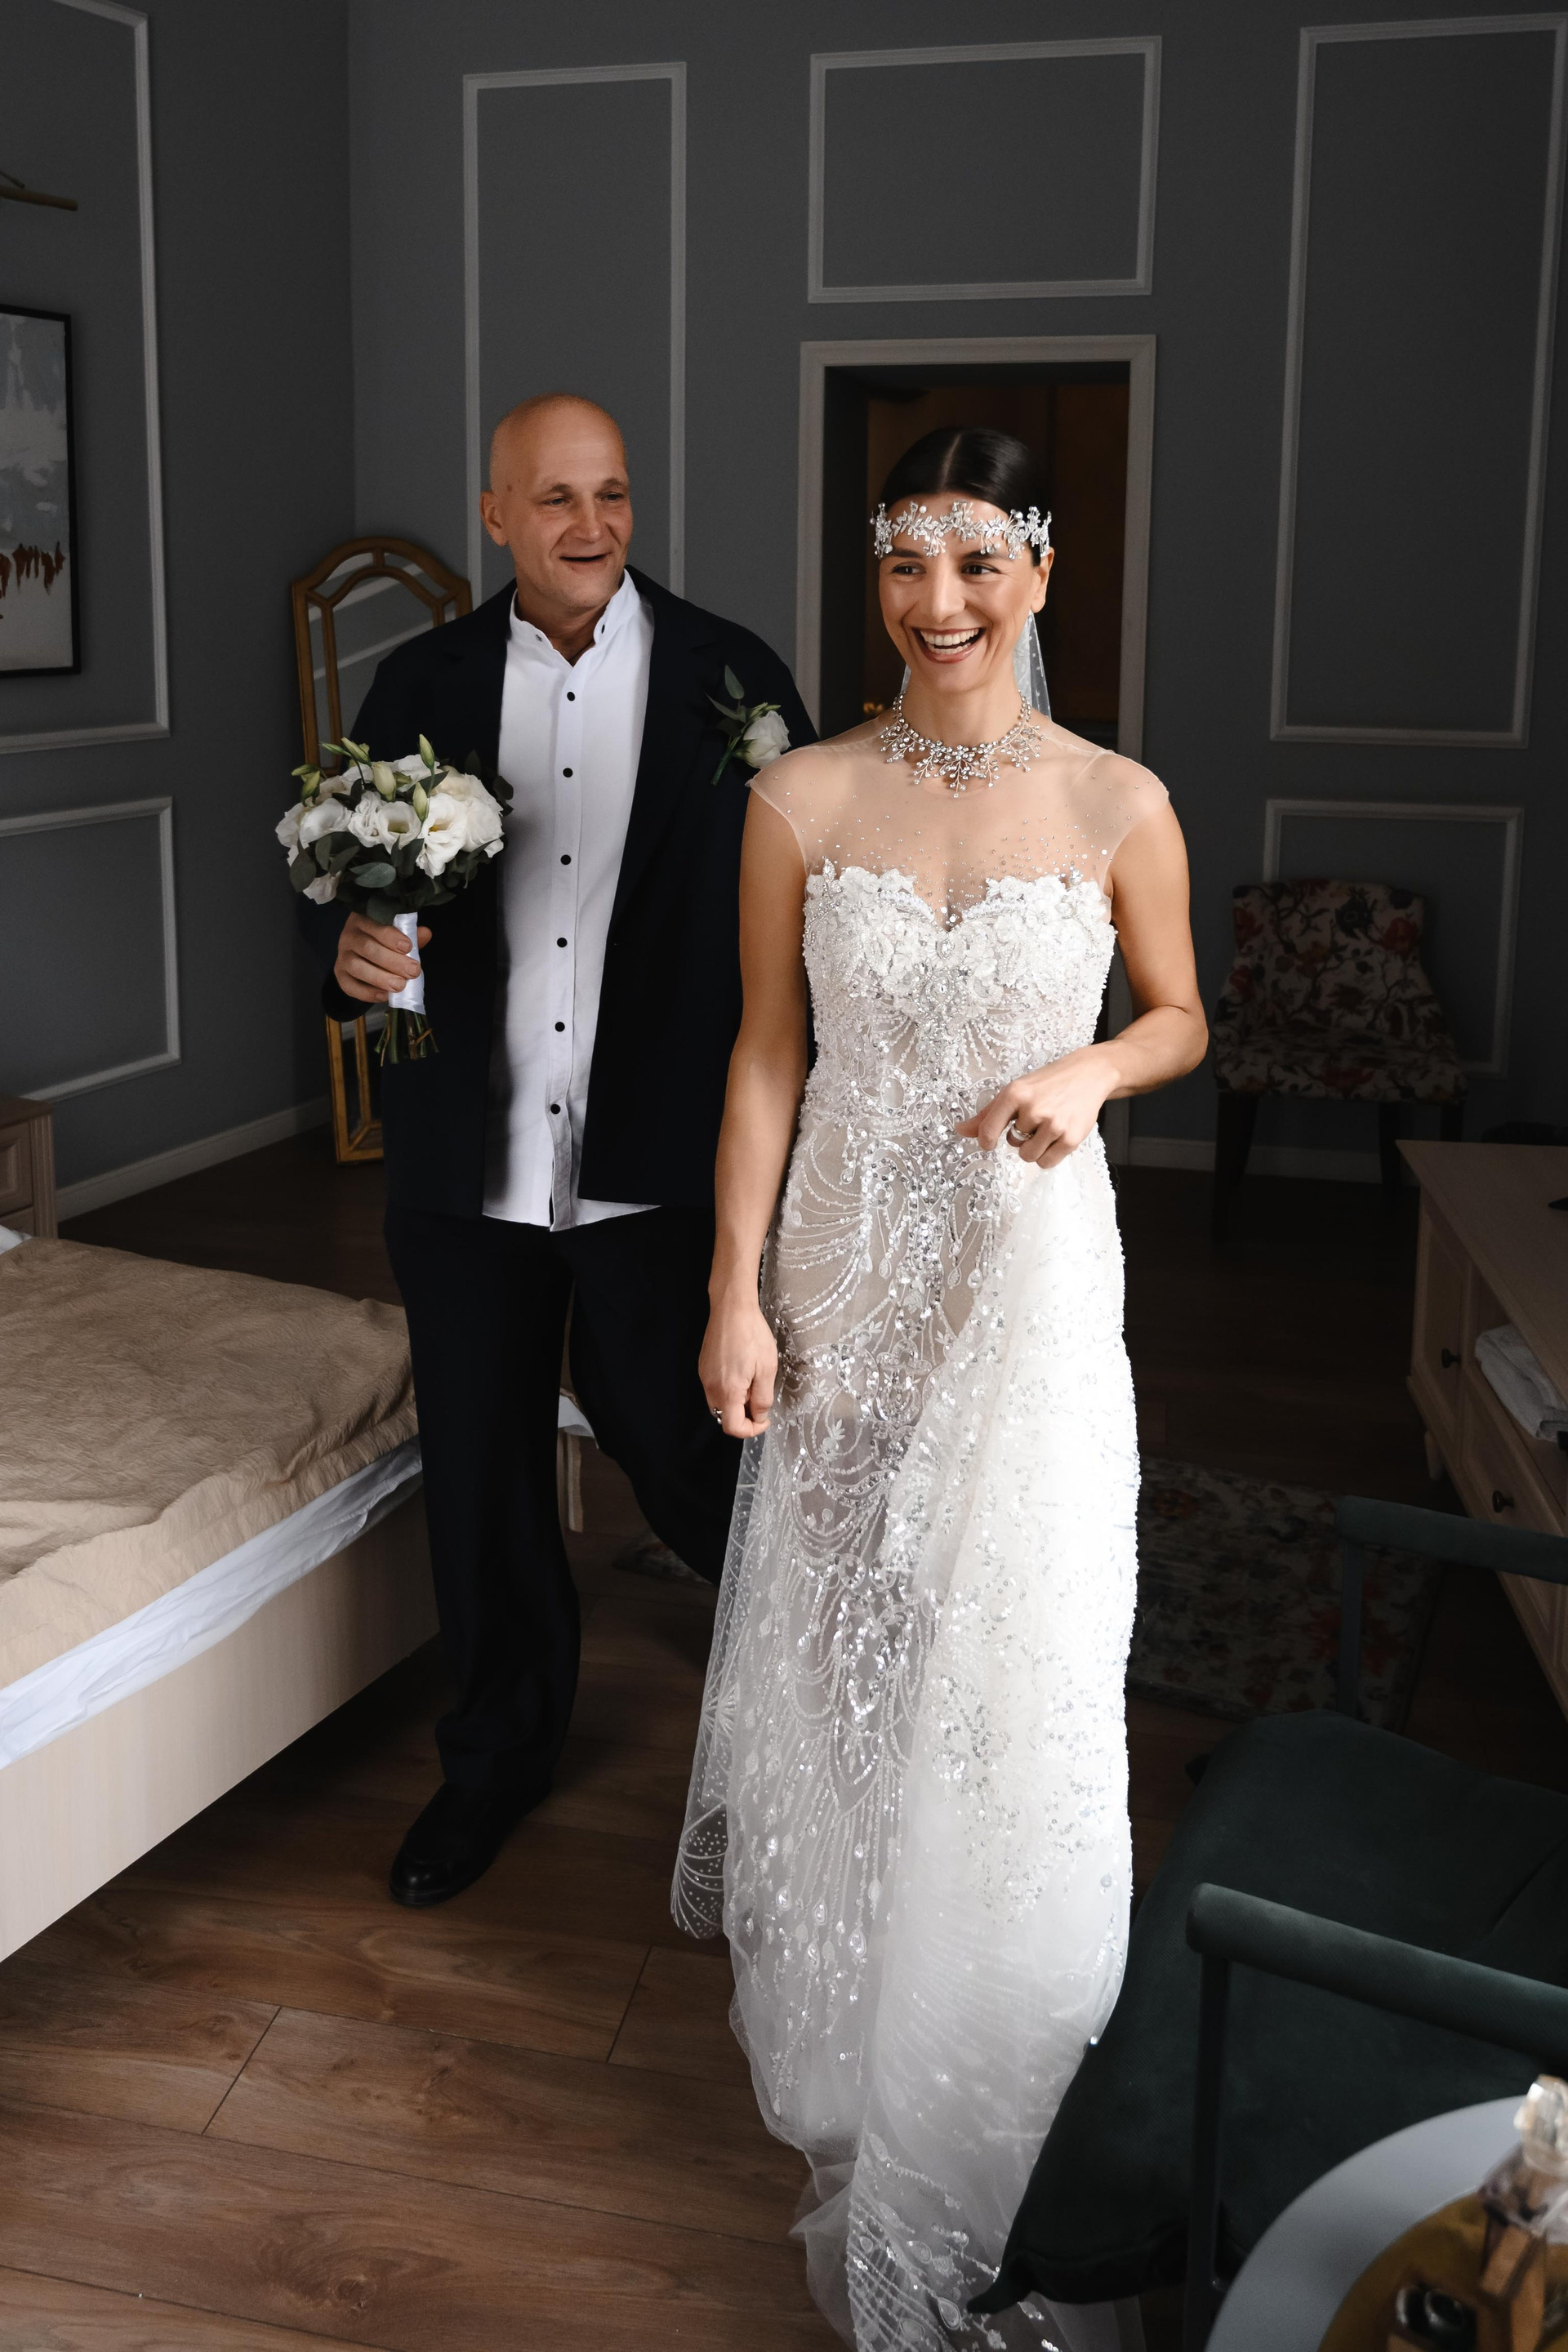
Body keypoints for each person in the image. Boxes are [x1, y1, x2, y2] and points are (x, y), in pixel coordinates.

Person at [673, 426, 1207, 2352]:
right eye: (909, 559)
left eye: (980, 559)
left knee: (1006, 1661)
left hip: (1023, 1292)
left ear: (1042, 572)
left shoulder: (1121, 802)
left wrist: (1096, 1071)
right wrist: (733, 1292)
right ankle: (856, 2040)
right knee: (844, 1660)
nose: (941, 600)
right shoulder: (801, 795)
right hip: (839, 1283)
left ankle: (989, 2062)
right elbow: (765, 1056)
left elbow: (1181, 1012)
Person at [311, 394, 813, 1908]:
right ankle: (494, 1763)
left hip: (658, 1148)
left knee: (679, 1437)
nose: (591, 526)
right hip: (466, 1158)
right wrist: (349, 954)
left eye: (612, 495)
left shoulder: (736, 676)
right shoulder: (420, 681)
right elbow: (352, 880)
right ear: (496, 516)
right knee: (482, 1472)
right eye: (555, 499)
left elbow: (809, 909)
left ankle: (818, 1704)